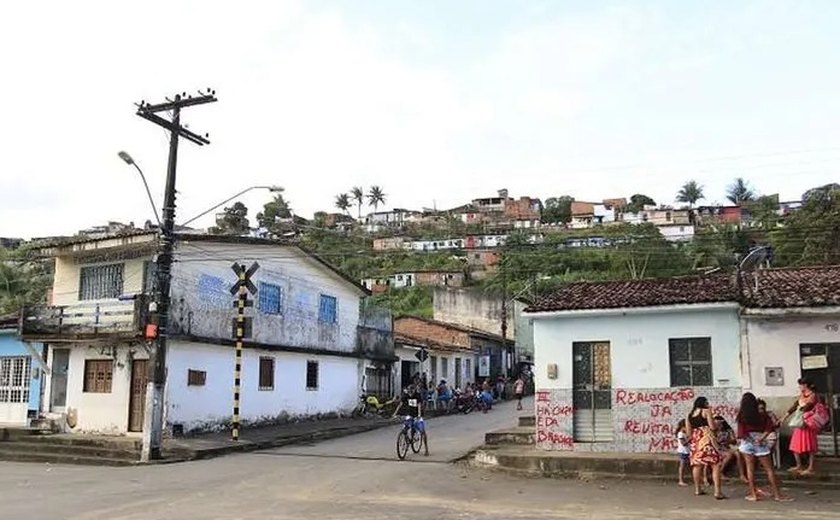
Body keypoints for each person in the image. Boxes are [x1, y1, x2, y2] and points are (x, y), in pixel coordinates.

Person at [736, 392, 792, 502]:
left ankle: (753, 494)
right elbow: (769, 428)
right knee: (769, 469)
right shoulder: (762, 414)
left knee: (750, 469)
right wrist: (761, 438)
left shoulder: (742, 415)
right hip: (760, 440)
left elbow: (741, 433)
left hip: (747, 442)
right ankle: (777, 495)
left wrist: (751, 440)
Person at [685, 396, 725, 499]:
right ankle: (717, 492)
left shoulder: (689, 415)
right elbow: (712, 427)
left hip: (696, 440)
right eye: (707, 402)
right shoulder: (706, 411)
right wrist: (716, 424)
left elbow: (689, 433)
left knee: (697, 465)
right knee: (715, 464)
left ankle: (698, 489)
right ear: (704, 403)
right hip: (707, 439)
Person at [781, 378, 819, 475]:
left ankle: (811, 467)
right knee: (794, 445)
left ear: (805, 385)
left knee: (810, 446)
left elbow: (808, 408)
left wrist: (800, 408)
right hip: (799, 424)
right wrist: (784, 417)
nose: (799, 387)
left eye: (801, 385)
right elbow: (794, 407)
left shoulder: (813, 396)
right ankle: (799, 465)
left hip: (808, 424)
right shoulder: (802, 396)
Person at [393, 385, 429, 456]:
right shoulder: (406, 396)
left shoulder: (418, 396)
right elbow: (400, 405)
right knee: (405, 428)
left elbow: (419, 405)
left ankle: (426, 449)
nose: (410, 393)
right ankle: (406, 441)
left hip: (417, 415)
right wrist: (395, 413)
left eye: (411, 392)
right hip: (409, 414)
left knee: (422, 431)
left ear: (414, 391)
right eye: (409, 392)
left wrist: (418, 415)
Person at [676, 419, 690, 487]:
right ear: (683, 427)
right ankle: (680, 480)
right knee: (682, 466)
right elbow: (683, 443)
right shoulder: (680, 434)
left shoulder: (685, 433)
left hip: (687, 451)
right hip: (683, 452)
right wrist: (689, 439)